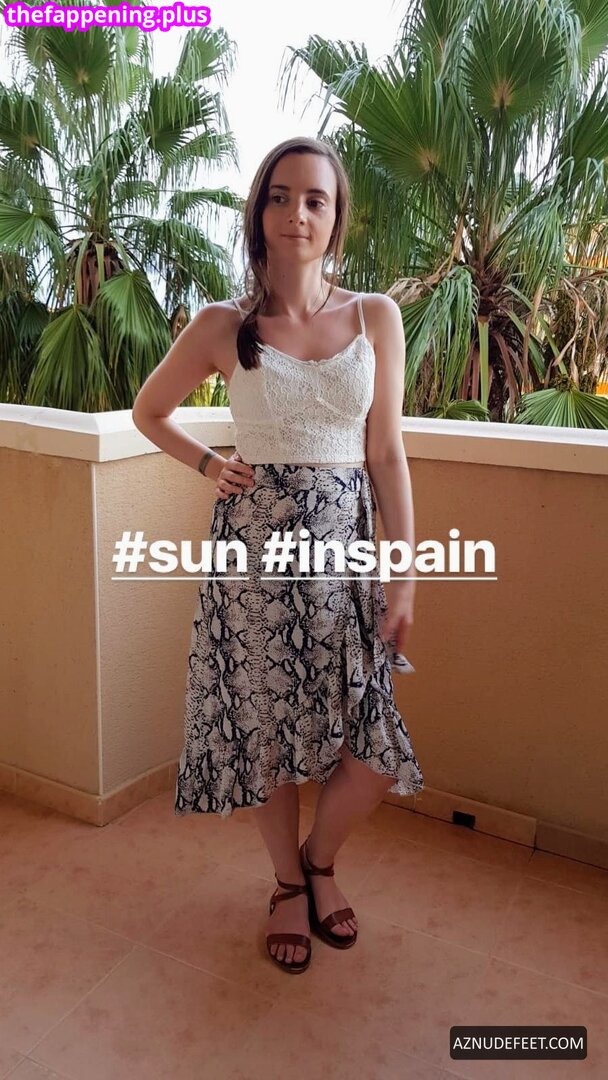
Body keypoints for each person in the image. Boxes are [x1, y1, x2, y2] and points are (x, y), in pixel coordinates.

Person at [132, 135, 424, 977]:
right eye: (281, 196)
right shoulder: (223, 326)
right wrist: (206, 464)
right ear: (259, 211)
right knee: (267, 733)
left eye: (316, 200)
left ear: (336, 219)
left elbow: (387, 454)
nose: (297, 213)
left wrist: (404, 576)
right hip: (253, 566)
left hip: (345, 568)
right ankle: (290, 885)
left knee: (372, 748)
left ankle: (320, 859)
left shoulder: (375, 317)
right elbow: (151, 410)